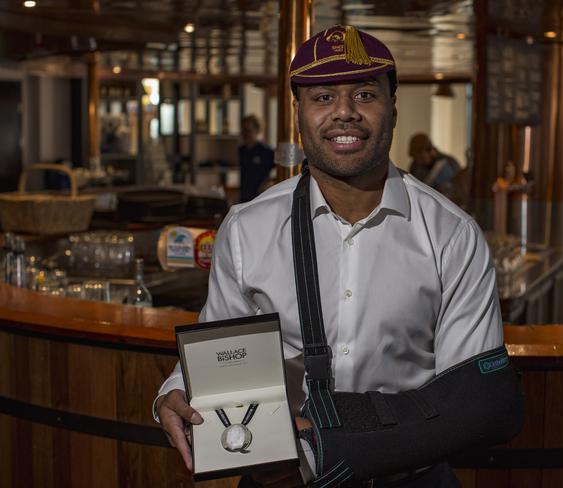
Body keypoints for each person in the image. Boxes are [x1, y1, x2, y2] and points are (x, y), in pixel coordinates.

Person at [154, 25, 524, 488]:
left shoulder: (452, 235)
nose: (344, 113)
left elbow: (472, 405)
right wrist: (180, 391)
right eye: (323, 97)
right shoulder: (248, 228)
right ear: (299, 113)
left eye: (365, 94)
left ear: (392, 108)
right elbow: (223, 352)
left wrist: (318, 450)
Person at [408, 133, 461, 199]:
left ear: (430, 150)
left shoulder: (450, 163)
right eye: (416, 157)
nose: (419, 161)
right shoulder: (415, 165)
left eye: (420, 156)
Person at [239, 114, 275, 203]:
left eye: (248, 130)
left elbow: (280, 171)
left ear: (257, 130)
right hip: (244, 198)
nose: (245, 134)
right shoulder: (241, 151)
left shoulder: (267, 152)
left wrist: (269, 182)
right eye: (243, 130)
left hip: (261, 198)